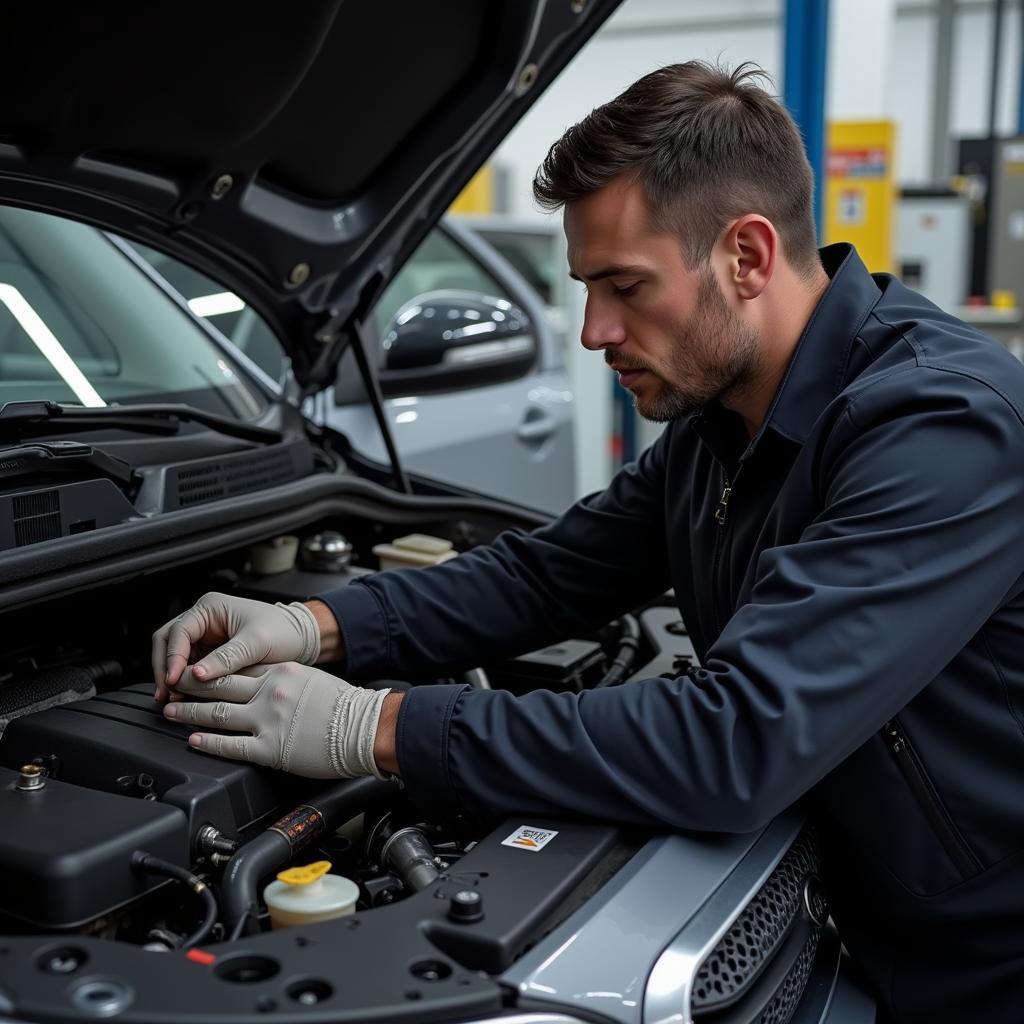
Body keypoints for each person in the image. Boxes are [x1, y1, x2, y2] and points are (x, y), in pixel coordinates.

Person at [152, 63, 1024, 1022]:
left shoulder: (942, 428)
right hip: (853, 908)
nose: (594, 330)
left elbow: (737, 742)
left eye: (625, 286)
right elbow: (548, 572)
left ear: (747, 255)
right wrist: (312, 625)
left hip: (983, 964)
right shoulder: (720, 425)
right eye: (585, 287)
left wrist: (377, 727)